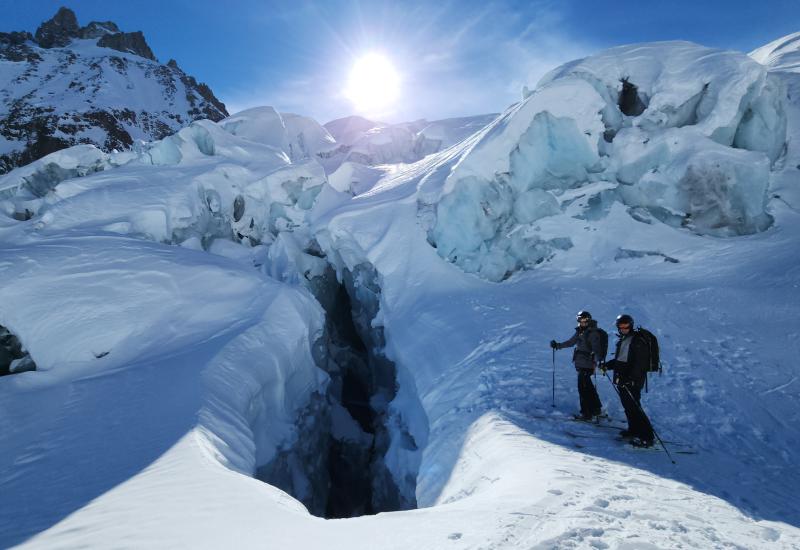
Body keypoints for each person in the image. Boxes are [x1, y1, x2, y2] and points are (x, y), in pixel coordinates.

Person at [602, 314, 655, 448]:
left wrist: (631, 379)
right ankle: (634, 430)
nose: (624, 328)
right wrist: (608, 365)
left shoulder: (637, 341)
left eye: (626, 326)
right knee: (628, 407)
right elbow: (621, 360)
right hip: (622, 380)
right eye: (621, 326)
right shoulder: (624, 340)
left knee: (635, 408)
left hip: (632, 381)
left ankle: (647, 437)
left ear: (630, 325)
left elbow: (639, 364)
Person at [550, 311, 604, 420]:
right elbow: (571, 342)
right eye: (580, 320)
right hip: (581, 363)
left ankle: (586, 413)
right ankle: (596, 409)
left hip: (588, 364)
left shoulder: (592, 333)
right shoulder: (580, 331)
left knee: (583, 388)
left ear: (589, 320)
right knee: (588, 387)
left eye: (585, 321)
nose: (583, 322)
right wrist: (558, 345)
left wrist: (597, 360)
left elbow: (597, 349)